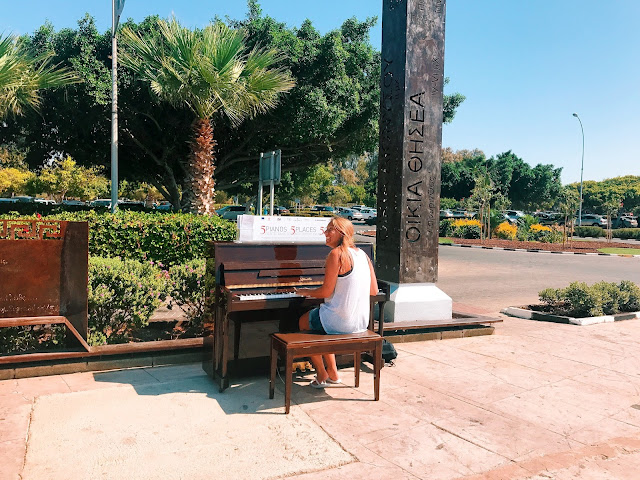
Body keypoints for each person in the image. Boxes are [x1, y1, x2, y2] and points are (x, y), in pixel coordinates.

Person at [294, 216, 379, 388]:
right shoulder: (363, 255)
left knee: (303, 322)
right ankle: (333, 372)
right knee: (323, 320)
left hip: (341, 322)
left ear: (341, 232)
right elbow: (374, 291)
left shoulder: (336, 254)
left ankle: (321, 373)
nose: (325, 233)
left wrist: (305, 291)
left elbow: (325, 292)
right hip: (360, 323)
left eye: (329, 230)